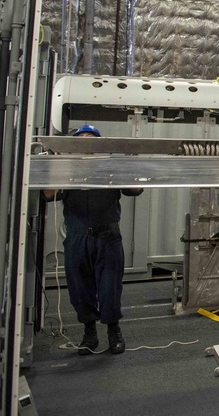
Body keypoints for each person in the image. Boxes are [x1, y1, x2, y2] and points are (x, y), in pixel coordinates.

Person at [44, 125, 143, 355]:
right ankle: (89, 333)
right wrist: (60, 167)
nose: (86, 142)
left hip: (108, 236)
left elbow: (135, 188)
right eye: (81, 139)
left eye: (91, 138)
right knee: (79, 287)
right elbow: (49, 194)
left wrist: (131, 164)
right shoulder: (69, 170)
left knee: (109, 287)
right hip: (77, 237)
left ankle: (113, 331)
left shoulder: (110, 168)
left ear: (99, 144)